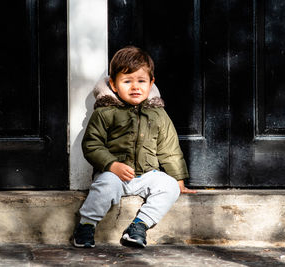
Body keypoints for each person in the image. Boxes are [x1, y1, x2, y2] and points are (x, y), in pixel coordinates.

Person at [73, 46, 196, 249]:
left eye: (141, 81)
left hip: (147, 174)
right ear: (113, 84)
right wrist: (111, 165)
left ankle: (139, 226)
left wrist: (179, 179)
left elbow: (169, 148)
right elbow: (92, 144)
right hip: (114, 174)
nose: (135, 87)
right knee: (104, 187)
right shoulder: (105, 112)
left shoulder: (158, 114)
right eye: (127, 81)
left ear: (151, 83)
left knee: (169, 186)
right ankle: (86, 225)